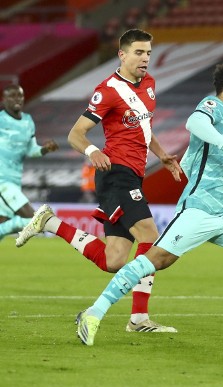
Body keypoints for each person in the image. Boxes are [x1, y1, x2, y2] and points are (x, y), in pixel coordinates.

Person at [75, 57, 223, 346]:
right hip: (198, 211)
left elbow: (198, 154)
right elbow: (195, 122)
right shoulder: (212, 106)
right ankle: (93, 313)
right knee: (155, 261)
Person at [16, 29, 182, 333]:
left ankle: (50, 223)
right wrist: (92, 151)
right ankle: (139, 319)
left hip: (133, 174)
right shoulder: (107, 90)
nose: (146, 58)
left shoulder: (149, 84)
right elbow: (75, 134)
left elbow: (145, 129)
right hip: (115, 174)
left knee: (114, 260)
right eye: (139, 53)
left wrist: (163, 154)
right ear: (122, 54)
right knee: (150, 235)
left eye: (148, 52)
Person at [0, 84, 59, 242]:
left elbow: (31, 149)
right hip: (2, 181)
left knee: (2, 224)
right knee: (34, 218)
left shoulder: (27, 121)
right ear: (4, 100)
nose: (17, 99)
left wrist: (45, 149)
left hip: (14, 180)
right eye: (12, 96)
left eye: (20, 95)